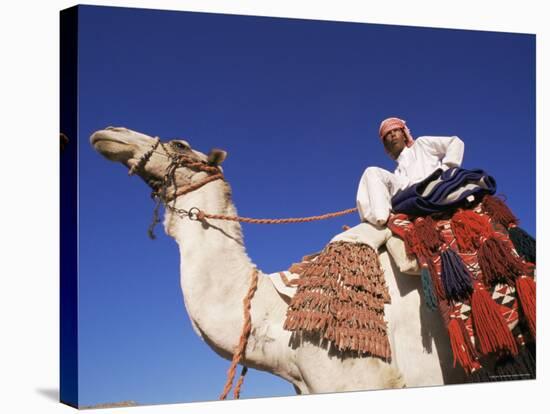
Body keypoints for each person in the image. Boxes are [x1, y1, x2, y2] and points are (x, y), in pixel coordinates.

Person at [356, 117, 465, 226]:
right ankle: (377, 222)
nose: (393, 135)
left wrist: (447, 168)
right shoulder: (397, 173)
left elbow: (455, 142)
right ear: (386, 144)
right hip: (410, 193)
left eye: (396, 130)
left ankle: (381, 224)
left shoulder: (421, 144)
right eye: (388, 134)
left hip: (433, 185)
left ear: (404, 135)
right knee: (371, 172)